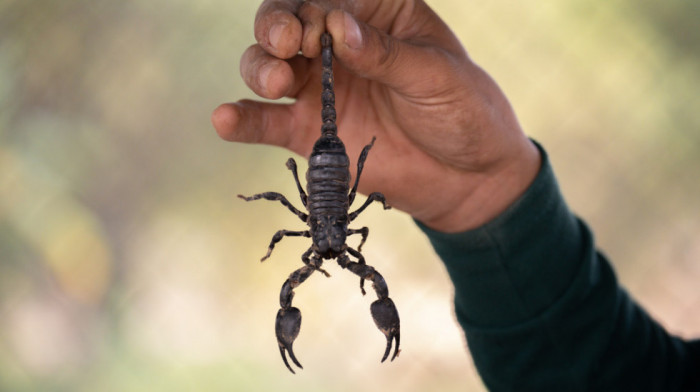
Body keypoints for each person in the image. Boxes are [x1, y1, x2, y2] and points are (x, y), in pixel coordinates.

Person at [211, 0, 700, 390]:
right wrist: (486, 198)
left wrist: (480, 200)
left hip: (326, 178)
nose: (336, 258)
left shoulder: (321, 244)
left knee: (304, 263)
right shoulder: (348, 237)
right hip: (335, 176)